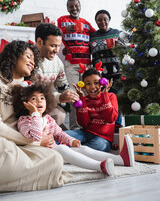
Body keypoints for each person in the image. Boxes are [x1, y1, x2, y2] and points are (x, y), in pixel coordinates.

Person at [13, 80, 135, 177]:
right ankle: (99, 166)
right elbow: (35, 137)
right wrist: (35, 114)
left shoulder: (48, 119)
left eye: (42, 98)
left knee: (83, 149)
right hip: (37, 155)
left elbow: (60, 134)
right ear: (25, 103)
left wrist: (72, 141)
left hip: (52, 151)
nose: (39, 100)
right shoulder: (24, 120)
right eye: (34, 98)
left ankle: (121, 160)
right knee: (61, 148)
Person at [0, 40, 71, 191]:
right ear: (13, 57)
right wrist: (34, 141)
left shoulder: (27, 91)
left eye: (34, 59)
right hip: (6, 144)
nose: (32, 62)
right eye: (28, 56)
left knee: (55, 159)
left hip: (22, 147)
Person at [57, 0, 96, 129]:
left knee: (87, 94)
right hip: (72, 63)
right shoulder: (62, 20)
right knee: (74, 94)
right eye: (71, 6)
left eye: (76, 5)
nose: (74, 8)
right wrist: (64, 31)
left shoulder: (86, 23)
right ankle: (75, 127)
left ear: (80, 6)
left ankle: (87, 125)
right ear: (67, 8)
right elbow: (54, 33)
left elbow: (96, 36)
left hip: (86, 64)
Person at [35, 23, 79, 128]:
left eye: (59, 46)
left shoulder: (57, 62)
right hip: (29, 106)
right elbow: (31, 92)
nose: (57, 50)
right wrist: (59, 97)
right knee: (59, 115)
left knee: (59, 118)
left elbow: (62, 85)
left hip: (46, 105)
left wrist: (72, 95)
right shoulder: (29, 60)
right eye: (53, 45)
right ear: (40, 42)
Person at [65, 65, 118, 152]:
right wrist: (82, 99)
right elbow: (84, 124)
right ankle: (74, 150)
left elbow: (110, 119)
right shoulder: (84, 99)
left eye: (96, 83)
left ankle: (70, 151)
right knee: (61, 135)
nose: (93, 87)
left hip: (103, 138)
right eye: (88, 84)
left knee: (99, 146)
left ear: (101, 83)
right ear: (84, 86)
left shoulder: (110, 96)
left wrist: (105, 96)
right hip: (85, 133)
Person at [90, 10, 124, 127]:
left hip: (116, 72)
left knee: (117, 98)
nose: (102, 21)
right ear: (96, 21)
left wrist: (120, 45)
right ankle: (105, 125)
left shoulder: (116, 32)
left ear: (109, 20)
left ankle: (118, 123)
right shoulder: (92, 36)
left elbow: (125, 50)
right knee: (103, 100)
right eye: (99, 19)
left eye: (105, 19)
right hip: (100, 75)